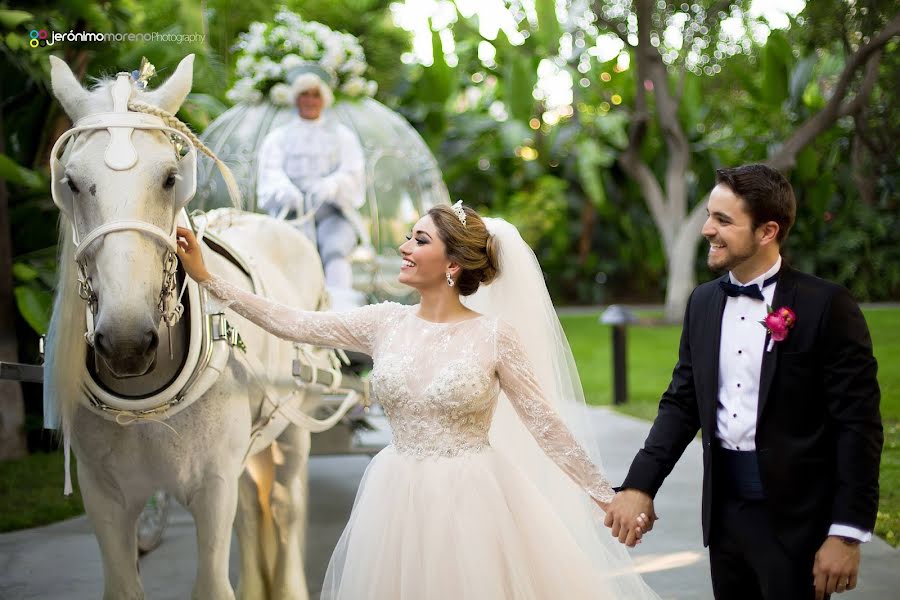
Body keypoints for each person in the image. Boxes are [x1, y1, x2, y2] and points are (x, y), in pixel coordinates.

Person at [176, 201, 660, 599]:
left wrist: (607, 496)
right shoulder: (383, 322)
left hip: (475, 500)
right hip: (395, 498)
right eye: (409, 236)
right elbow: (293, 322)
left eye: (420, 240)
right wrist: (207, 278)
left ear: (453, 265)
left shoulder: (493, 337)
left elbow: (545, 425)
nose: (405, 248)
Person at [604, 164, 883, 600]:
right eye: (709, 215)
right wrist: (640, 484)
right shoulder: (702, 302)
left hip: (797, 522)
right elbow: (681, 404)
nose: (706, 230)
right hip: (724, 517)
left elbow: (858, 426)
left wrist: (846, 533)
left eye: (723, 220)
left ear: (767, 231)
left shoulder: (826, 306)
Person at [256, 65, 366, 308]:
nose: (310, 100)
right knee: (289, 253)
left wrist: (333, 185)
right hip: (293, 214)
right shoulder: (278, 137)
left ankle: (340, 309)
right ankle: (293, 306)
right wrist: (284, 189)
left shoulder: (342, 136)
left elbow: (353, 171)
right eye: (304, 95)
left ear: (324, 99)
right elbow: (270, 172)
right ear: (296, 98)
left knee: (335, 249)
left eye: (315, 95)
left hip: (333, 213)